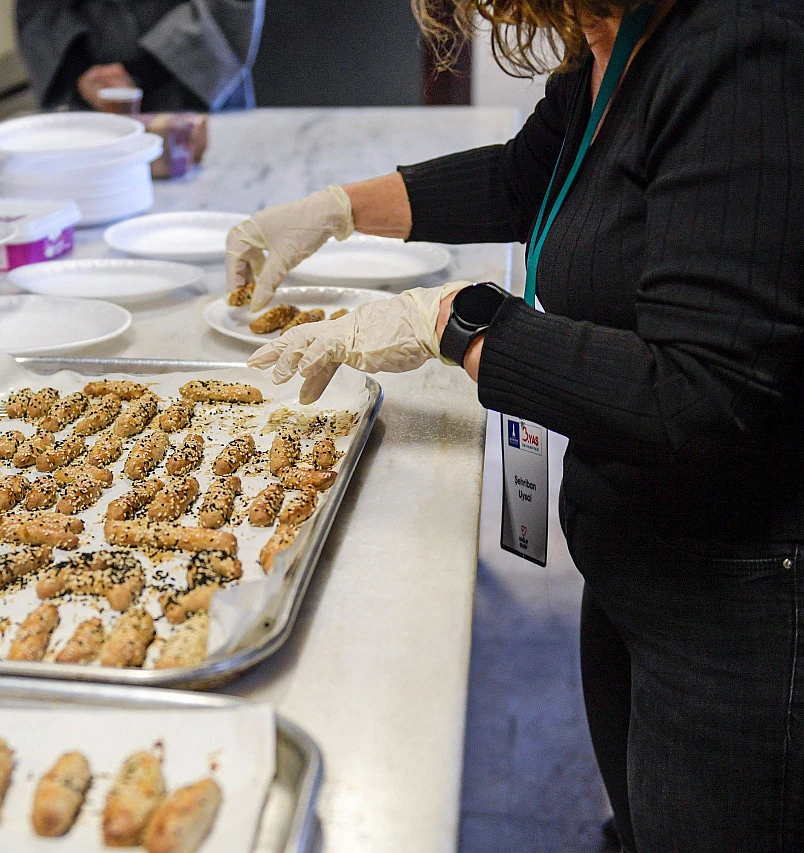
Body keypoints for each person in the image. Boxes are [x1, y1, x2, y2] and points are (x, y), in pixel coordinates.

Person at [228, 0, 804, 849]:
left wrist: (456, 322)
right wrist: (335, 210)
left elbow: (702, 390)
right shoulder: (615, 32)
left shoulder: (746, 52)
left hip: (742, 592)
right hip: (638, 546)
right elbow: (527, 177)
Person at [16, 0, 264, 113]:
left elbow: (231, 5)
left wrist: (142, 70)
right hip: (85, 102)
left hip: (191, 91)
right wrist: (77, 69)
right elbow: (36, 10)